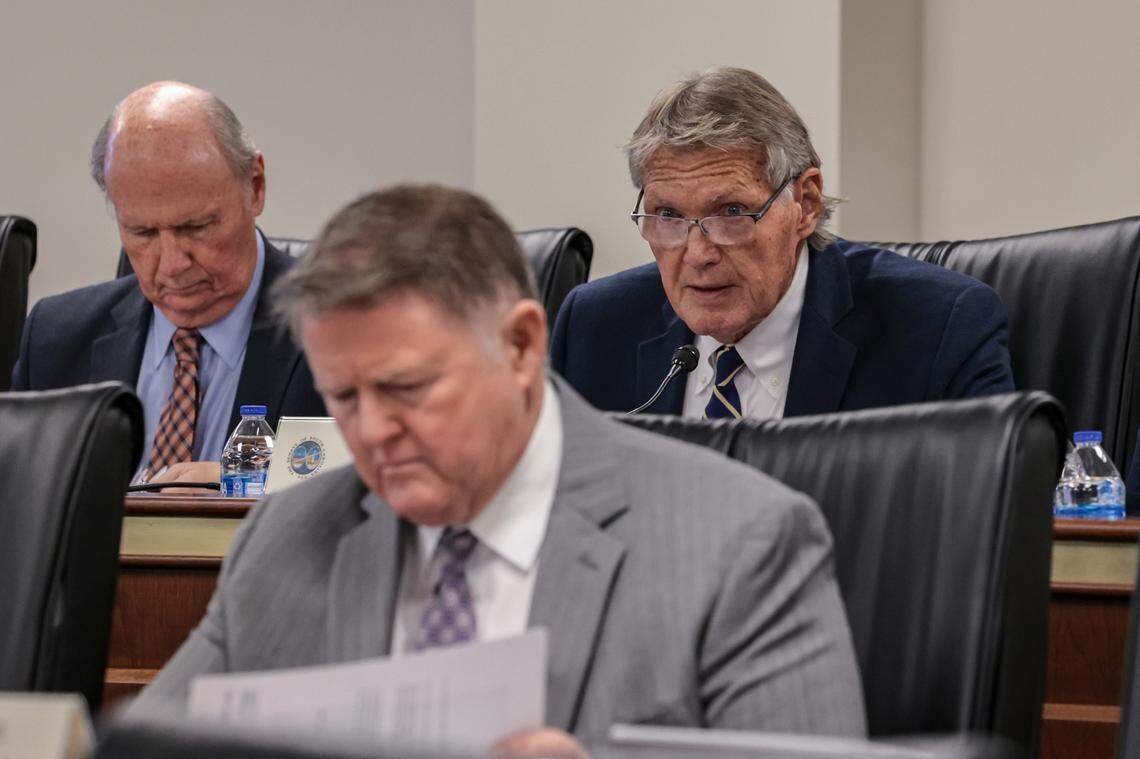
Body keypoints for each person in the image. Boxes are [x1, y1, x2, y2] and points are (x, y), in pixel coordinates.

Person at [132, 184, 866, 752]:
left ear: (519, 347)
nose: (373, 432)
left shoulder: (738, 544)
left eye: (406, 388)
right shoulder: (289, 538)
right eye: (345, 397)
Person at [550, 67, 1014, 419]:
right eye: (668, 215)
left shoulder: (937, 331)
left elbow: (984, 512)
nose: (698, 255)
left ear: (805, 204)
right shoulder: (595, 328)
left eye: (732, 212)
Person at [10, 82, 324, 484]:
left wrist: (242, 480)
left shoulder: (342, 326)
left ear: (255, 187)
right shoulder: (55, 339)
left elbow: (372, 479)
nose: (173, 265)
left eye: (196, 227)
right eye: (142, 232)